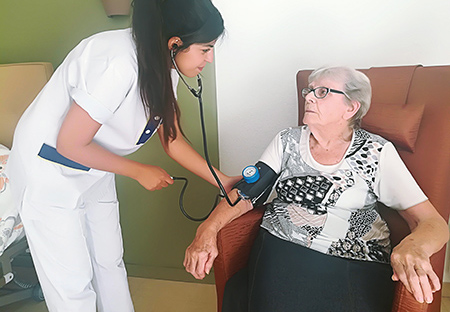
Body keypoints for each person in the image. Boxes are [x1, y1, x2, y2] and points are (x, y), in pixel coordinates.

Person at [6, 0, 240, 311]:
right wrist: (139, 171)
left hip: (96, 163)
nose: (209, 59)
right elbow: (70, 144)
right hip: (49, 170)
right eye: (205, 49)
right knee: (72, 280)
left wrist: (222, 181)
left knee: (109, 261)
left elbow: (171, 138)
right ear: (175, 43)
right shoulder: (116, 63)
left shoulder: (165, 66)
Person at [184, 66, 450, 312]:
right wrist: (206, 230)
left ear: (351, 108)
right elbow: (246, 193)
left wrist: (415, 245)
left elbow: (433, 222)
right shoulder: (286, 141)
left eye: (322, 92)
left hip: (359, 260)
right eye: (308, 91)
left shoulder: (376, 152)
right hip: (287, 247)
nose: (309, 97)